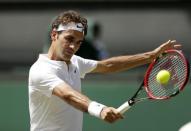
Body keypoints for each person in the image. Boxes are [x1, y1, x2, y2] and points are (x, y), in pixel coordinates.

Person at [28, 10, 181, 131]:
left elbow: (107, 65)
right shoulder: (40, 70)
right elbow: (68, 95)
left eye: (78, 42)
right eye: (68, 39)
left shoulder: (75, 62)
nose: (73, 47)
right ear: (54, 35)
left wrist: (150, 56)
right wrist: (99, 110)